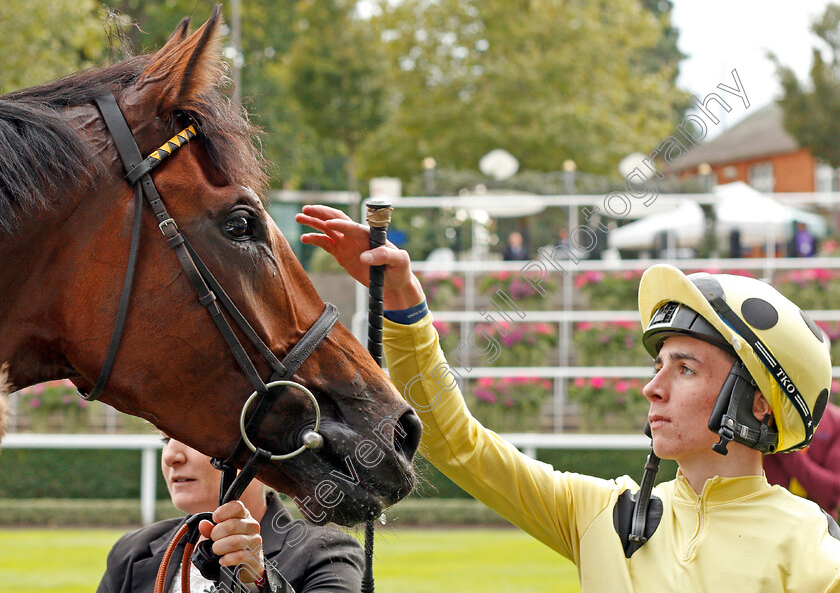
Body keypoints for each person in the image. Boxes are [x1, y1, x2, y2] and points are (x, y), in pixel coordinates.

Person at [296, 204, 840, 591]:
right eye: (658, 366)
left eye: (686, 368)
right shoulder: (600, 512)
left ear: (760, 403)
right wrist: (403, 307)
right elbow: (455, 443)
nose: (654, 387)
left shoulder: (814, 552)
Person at [98, 436, 364, 593]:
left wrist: (260, 581)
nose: (171, 456)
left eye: (193, 439)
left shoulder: (327, 553)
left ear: (259, 455)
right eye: (166, 439)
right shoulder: (131, 552)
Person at [765, 401, 840, 519]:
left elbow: (832, 493)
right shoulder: (768, 410)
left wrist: (787, 449)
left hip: (816, 525)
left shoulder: (835, 421)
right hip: (769, 517)